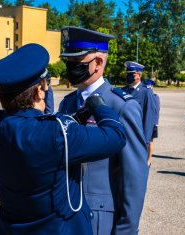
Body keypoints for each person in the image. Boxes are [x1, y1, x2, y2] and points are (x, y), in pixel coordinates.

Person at [0, 43, 126, 235]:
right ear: (39, 92)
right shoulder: (56, 134)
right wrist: (99, 106)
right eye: (46, 85)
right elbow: (115, 136)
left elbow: (34, 134)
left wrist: (74, 119)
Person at [59, 26, 148, 234]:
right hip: (66, 213)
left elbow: (134, 176)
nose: (70, 68)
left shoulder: (121, 106)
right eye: (68, 62)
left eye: (76, 63)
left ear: (98, 63)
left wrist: (126, 230)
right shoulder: (67, 103)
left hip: (98, 219)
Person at [122, 62, 158, 151]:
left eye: (131, 74)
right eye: (127, 74)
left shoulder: (146, 92)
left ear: (138, 75)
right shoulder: (123, 90)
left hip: (137, 136)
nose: (128, 76)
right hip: (122, 135)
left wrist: (145, 141)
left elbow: (149, 117)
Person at [144, 79, 160, 167]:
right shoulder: (143, 95)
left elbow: (156, 111)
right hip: (143, 122)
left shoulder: (155, 96)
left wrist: (155, 123)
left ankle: (149, 159)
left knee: (150, 141)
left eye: (150, 86)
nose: (148, 88)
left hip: (152, 122)